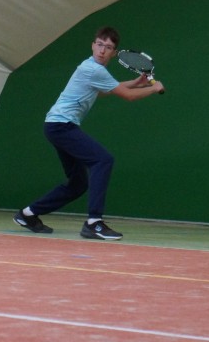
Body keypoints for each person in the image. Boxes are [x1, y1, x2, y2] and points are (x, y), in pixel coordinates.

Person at [13, 26, 165, 240]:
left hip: (57, 125)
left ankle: (28, 214)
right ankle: (94, 223)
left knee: (78, 184)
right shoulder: (94, 69)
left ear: (113, 52)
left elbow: (102, 91)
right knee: (103, 160)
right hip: (61, 125)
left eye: (108, 47)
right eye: (100, 44)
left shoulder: (92, 68)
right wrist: (153, 88)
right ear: (93, 45)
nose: (102, 50)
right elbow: (127, 96)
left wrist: (136, 83)